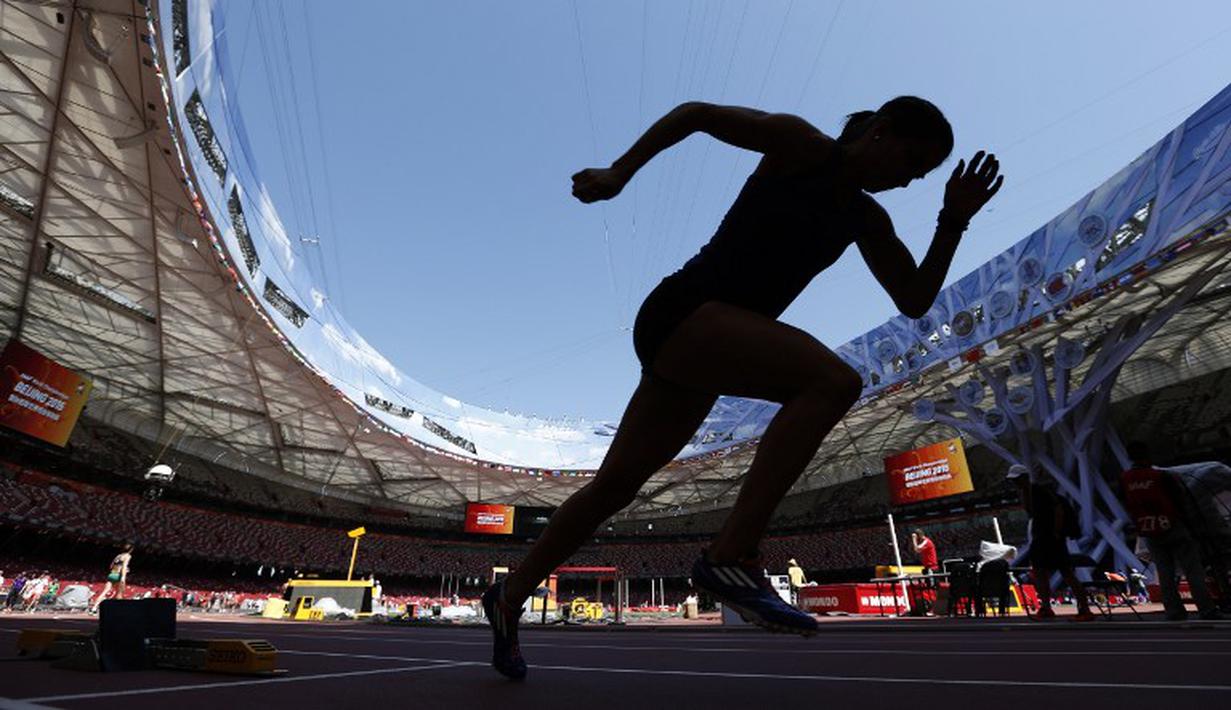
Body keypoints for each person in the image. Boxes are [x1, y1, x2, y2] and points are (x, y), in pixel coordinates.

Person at [481, 96, 1004, 679]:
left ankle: (508, 597)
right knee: (833, 382)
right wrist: (619, 173)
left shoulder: (866, 218)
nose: (909, 182)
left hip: (705, 349)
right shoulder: (800, 145)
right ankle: (732, 554)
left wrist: (952, 220)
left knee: (614, 488)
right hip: (686, 311)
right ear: (880, 132)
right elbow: (695, 114)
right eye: (913, 162)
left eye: (923, 176)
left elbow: (913, 298)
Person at [1120, 442, 1220, 620]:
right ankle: (1206, 609)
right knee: (1193, 570)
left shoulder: (1125, 480)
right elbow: (1181, 501)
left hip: (1149, 530)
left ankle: (1173, 611)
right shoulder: (1161, 476)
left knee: (1164, 573)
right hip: (1173, 527)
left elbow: (1127, 505)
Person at [1007, 464, 1095, 621]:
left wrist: (1056, 531)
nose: (1015, 483)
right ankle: (1046, 608)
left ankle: (1085, 609)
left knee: (1066, 573)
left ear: (1025, 478)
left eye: (1017, 480)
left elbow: (1058, 509)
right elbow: (1030, 513)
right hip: (1041, 537)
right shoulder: (1028, 492)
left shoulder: (1038, 491)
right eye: (1013, 481)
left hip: (1050, 538)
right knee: (1040, 573)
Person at [90, 543, 133, 613]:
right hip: (118, 575)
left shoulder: (118, 556)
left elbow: (111, 566)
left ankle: (94, 608)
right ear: (130, 550)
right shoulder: (127, 556)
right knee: (119, 594)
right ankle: (117, 611)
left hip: (111, 574)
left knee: (105, 592)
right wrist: (123, 577)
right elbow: (124, 566)